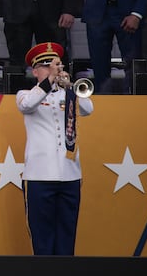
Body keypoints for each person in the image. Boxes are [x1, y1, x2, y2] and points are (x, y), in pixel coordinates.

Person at [17, 41, 93, 255]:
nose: (53, 69)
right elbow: (27, 105)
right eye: (47, 66)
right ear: (35, 70)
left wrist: (70, 87)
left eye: (57, 65)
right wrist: (49, 81)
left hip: (69, 175)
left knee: (67, 236)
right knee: (42, 238)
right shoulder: (25, 93)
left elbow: (88, 109)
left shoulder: (68, 95)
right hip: (39, 176)